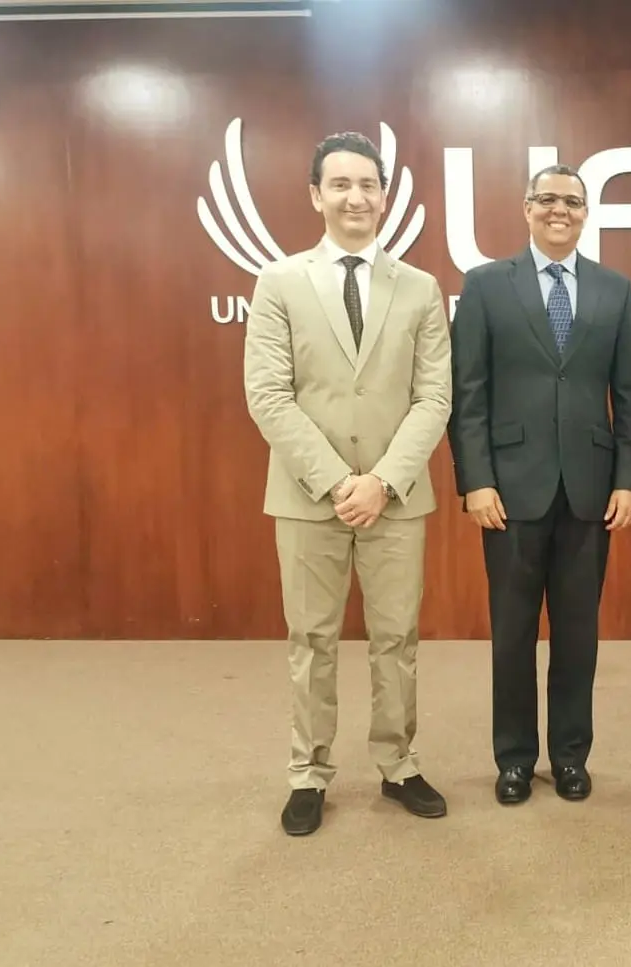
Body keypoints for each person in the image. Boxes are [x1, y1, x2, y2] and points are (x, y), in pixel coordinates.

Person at [244, 131, 453, 836]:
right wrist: (339, 480)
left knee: (397, 636)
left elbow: (434, 399)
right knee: (313, 637)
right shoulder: (279, 282)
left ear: (384, 194)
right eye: (340, 184)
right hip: (307, 497)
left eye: (367, 184)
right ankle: (309, 772)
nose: (355, 196)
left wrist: (384, 482)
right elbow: (269, 395)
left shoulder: (420, 288)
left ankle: (399, 763)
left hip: (396, 498)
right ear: (316, 195)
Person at [448, 164, 631, 806]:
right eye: (548, 200)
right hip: (508, 489)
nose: (560, 210)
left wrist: (629, 480)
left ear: (586, 214)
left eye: (573, 202)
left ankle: (569, 756)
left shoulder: (615, 291)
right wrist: (475, 481)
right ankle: (513, 759)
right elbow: (467, 395)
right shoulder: (484, 287)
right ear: (527, 208)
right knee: (511, 631)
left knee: (578, 634)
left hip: (590, 491)